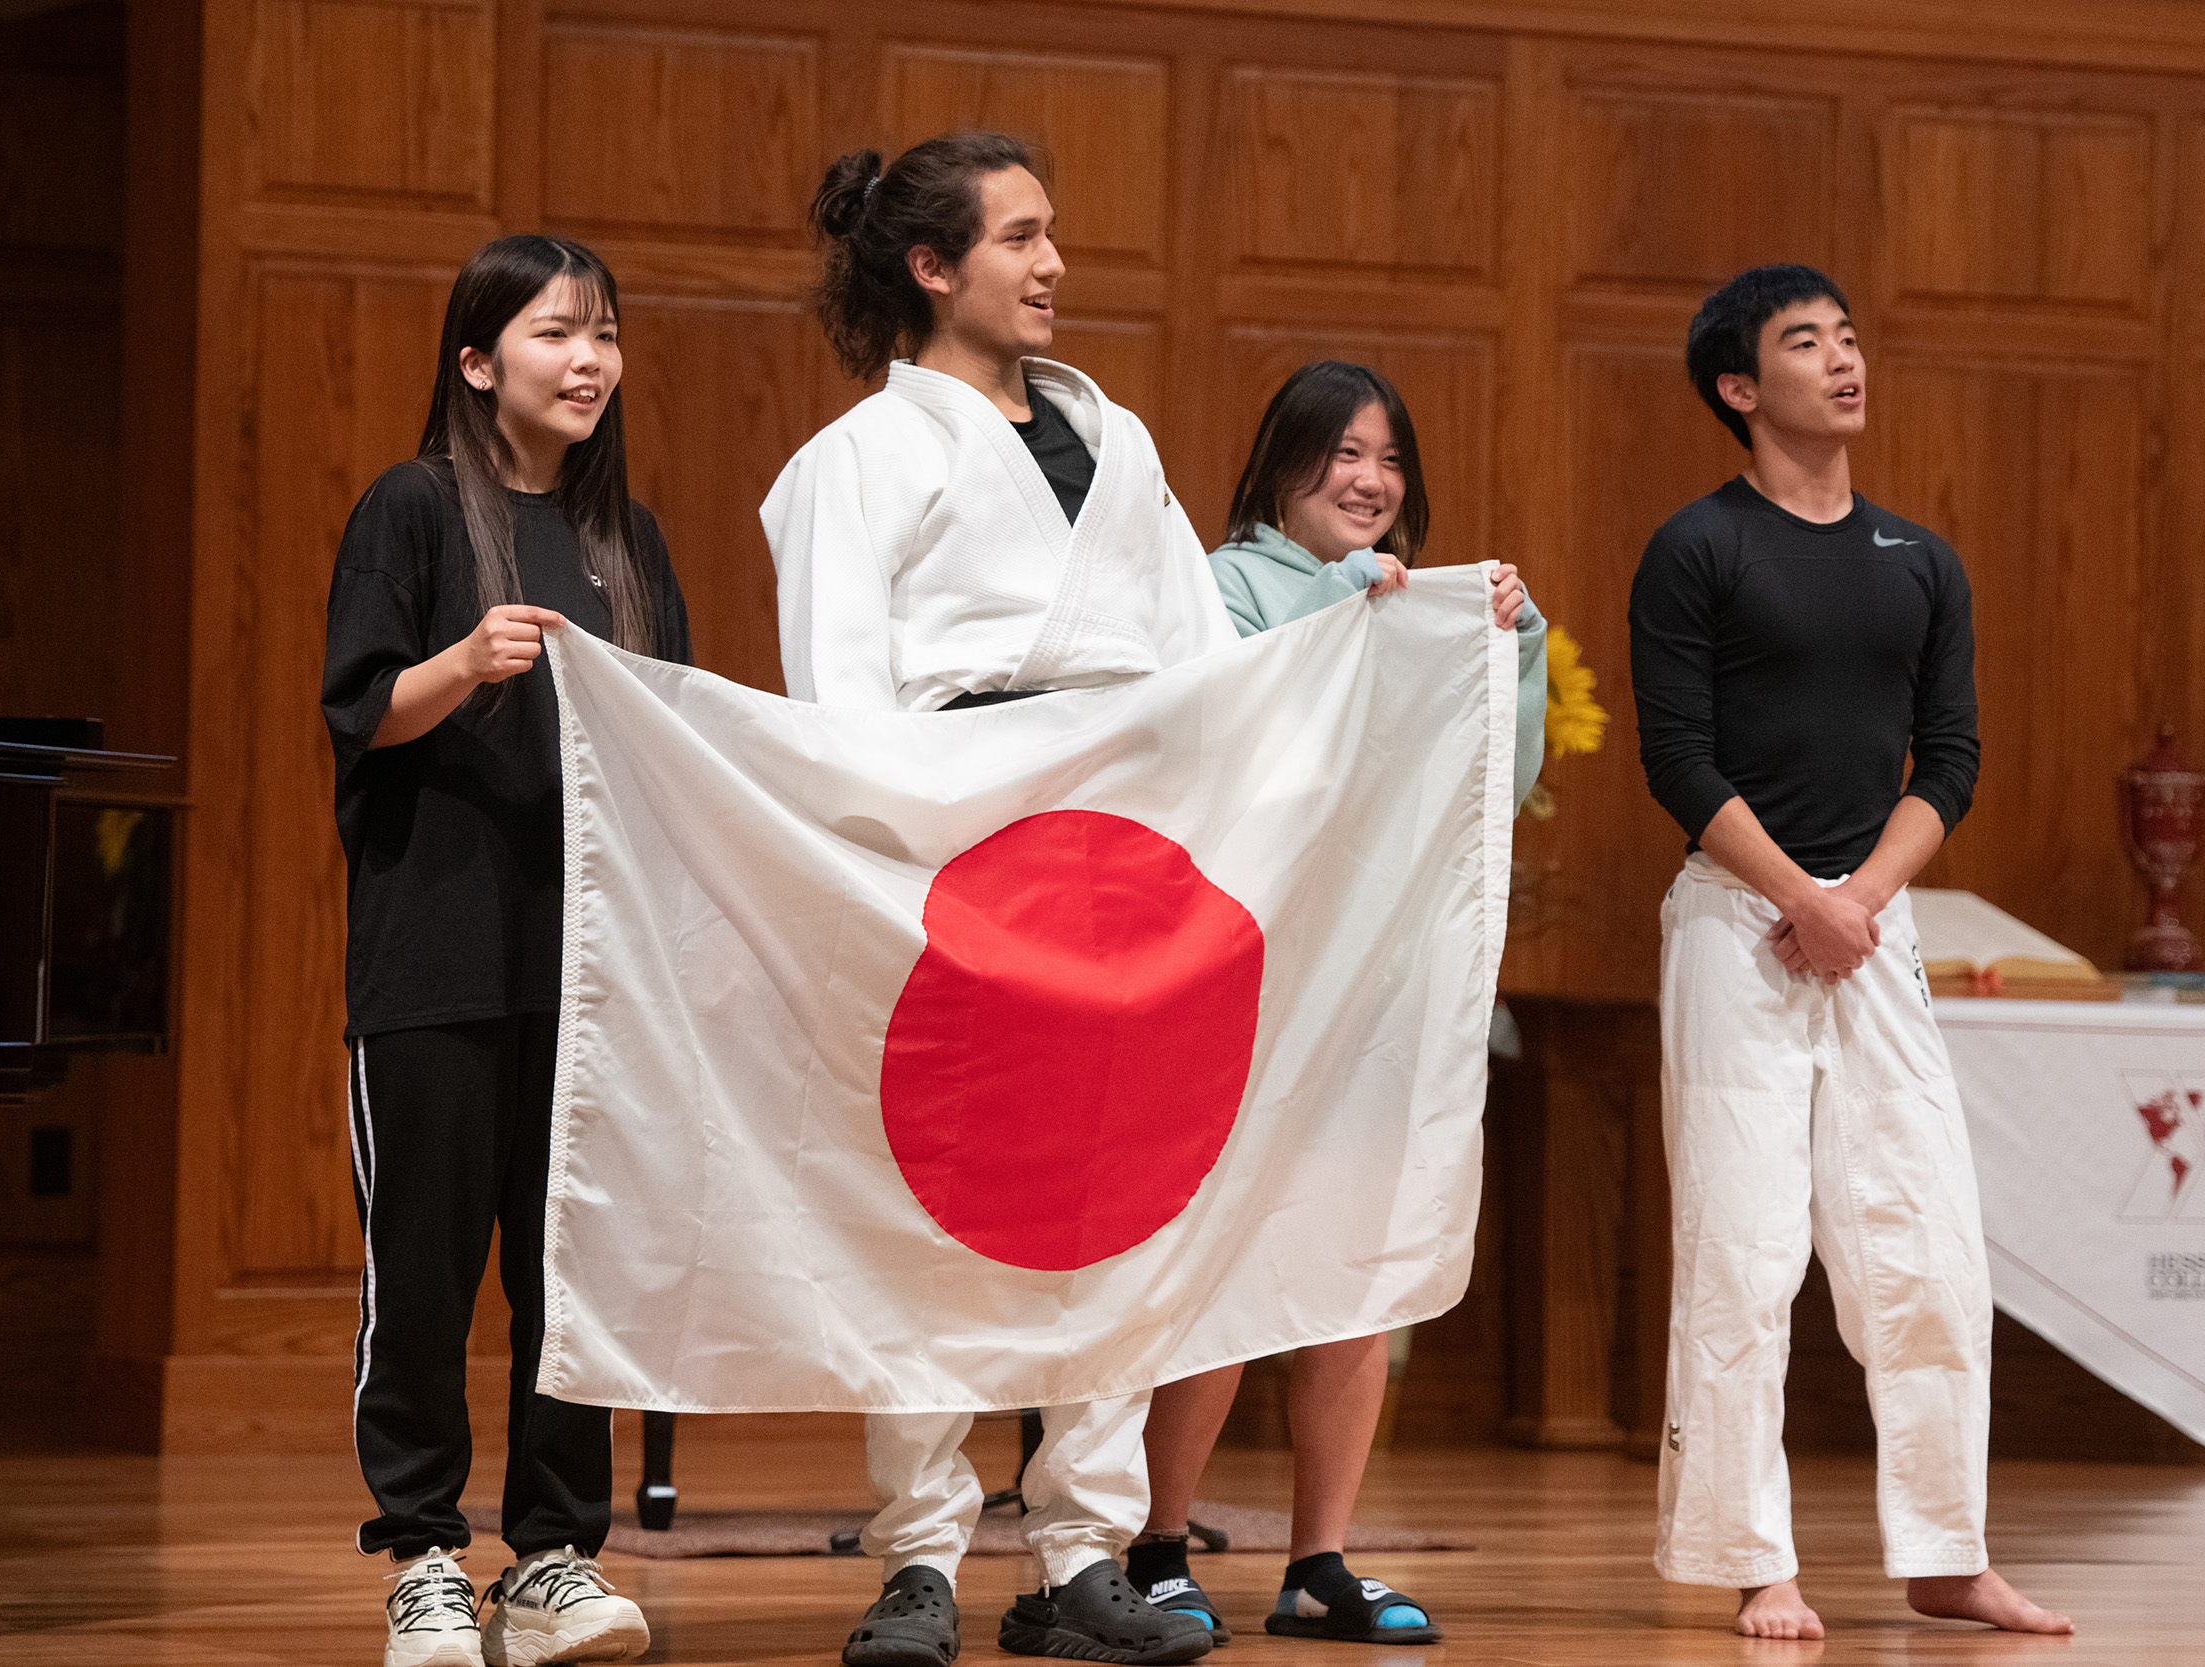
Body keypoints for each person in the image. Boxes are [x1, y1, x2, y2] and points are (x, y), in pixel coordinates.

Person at [761, 131, 1226, 1667]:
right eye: (1020, 238)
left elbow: (1205, 660)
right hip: (950, 843)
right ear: (932, 268)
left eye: (1053, 235)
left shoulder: (1122, 443)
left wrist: (1398, 623)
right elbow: (839, 694)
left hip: (1113, 842)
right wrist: (895, 864)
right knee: (937, 1204)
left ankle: (1086, 1552)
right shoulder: (856, 461)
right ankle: (918, 1557)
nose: (1053, 265)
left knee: (1109, 1199)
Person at [1626, 264, 2072, 1642]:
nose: (1845, 360)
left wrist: (1860, 897)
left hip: (1869, 927)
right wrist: (1795, 895)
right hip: (1734, 923)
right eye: (1806, 343)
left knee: (1930, 1250)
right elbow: (1678, 758)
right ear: (1740, 389)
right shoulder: (1699, 548)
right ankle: (1756, 1558)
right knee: (1745, 1252)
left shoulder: (1921, 562)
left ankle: (1947, 1553)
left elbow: (1951, 757)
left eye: (1850, 337)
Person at [1123, 359, 1542, 1648]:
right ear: (1282, 466)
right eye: (1343, 455)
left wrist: (1504, 652)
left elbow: (1489, 789)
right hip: (1246, 979)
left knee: (1356, 1273)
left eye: (1390, 459)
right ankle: (1152, 1544)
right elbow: (1212, 740)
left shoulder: (1418, 602)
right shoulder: (1218, 583)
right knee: (1226, 1262)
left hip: (1377, 985)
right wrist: (1329, 623)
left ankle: (1319, 1558)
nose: (1370, 482)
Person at [322, 234, 691, 1667]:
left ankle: (550, 1562)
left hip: (592, 980)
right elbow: (364, 712)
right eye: (555, 334)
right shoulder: (410, 510)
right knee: (419, 1273)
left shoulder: (628, 541)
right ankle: (421, 1554)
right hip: (432, 962)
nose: (589, 360)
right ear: (478, 360)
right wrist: (466, 663)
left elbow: (671, 744)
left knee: (572, 1274)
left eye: (604, 334)